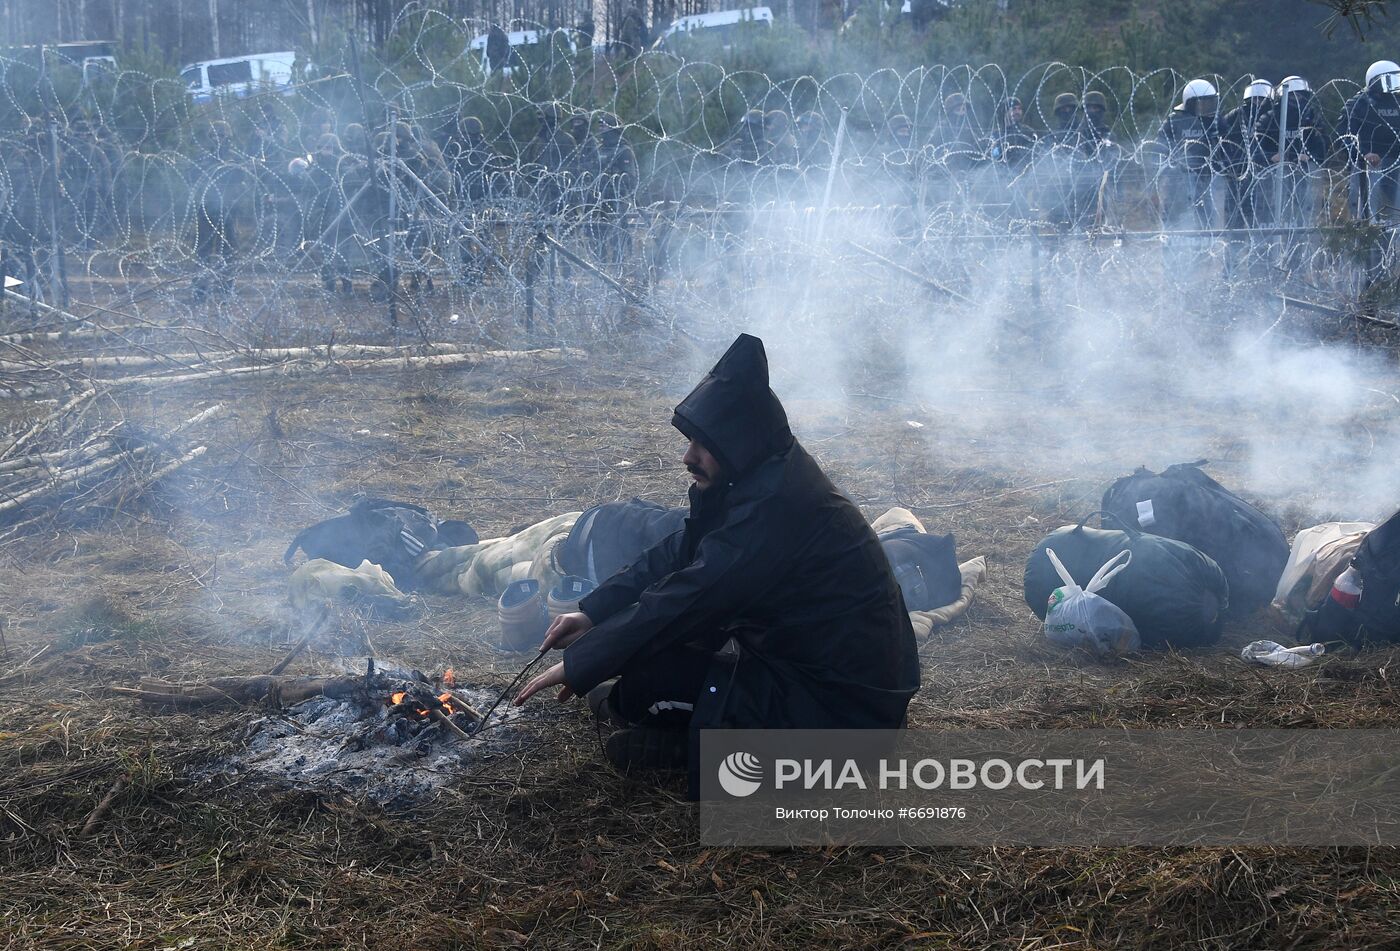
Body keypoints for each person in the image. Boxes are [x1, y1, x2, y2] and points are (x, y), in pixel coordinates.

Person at [513, 334, 921, 782]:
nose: (688, 456)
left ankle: (694, 747)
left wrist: (584, 661)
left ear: (739, 441)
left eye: (703, 444)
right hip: (815, 670)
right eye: (690, 440)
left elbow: (691, 596)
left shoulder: (776, 507)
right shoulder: (761, 475)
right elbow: (682, 550)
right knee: (659, 660)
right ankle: (691, 730)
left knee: (644, 687)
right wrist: (593, 612)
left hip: (841, 712)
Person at [1156, 78, 1226, 231]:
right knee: (1174, 217)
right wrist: (1173, 160)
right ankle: (1171, 248)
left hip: (1205, 177)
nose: (1207, 108)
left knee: (1205, 217)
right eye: (1203, 103)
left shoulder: (1216, 121)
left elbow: (1226, 146)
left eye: (1210, 103)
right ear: (1190, 103)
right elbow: (1160, 143)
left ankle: (1203, 251)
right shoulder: (1175, 120)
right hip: (1177, 179)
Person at [1341, 60, 1400, 223]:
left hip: (1396, 162)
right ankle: (1367, 239)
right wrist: (1363, 154)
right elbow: (1345, 137)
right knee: (1367, 211)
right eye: (1390, 80)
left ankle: (1394, 243)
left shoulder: (1398, 102)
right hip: (1367, 166)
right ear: (1376, 81)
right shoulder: (1358, 104)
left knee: (1396, 213)